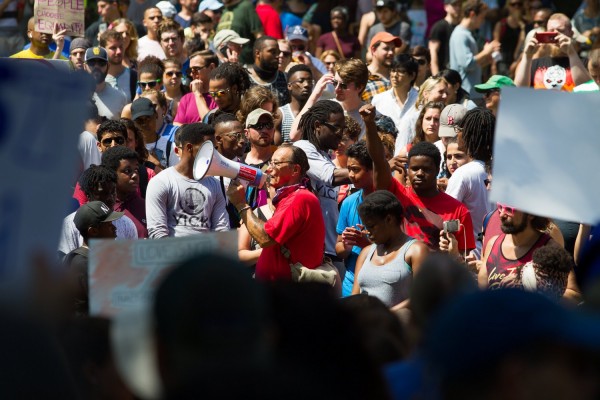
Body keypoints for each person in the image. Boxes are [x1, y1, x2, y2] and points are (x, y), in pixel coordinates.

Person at [362, 103, 475, 254]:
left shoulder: (459, 211)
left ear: (437, 169)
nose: (420, 173)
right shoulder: (396, 195)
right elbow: (378, 159)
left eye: (426, 169)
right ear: (408, 170)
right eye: (414, 169)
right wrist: (369, 124)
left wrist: (451, 252)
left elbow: (464, 259)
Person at [226, 144, 325, 280]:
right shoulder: (292, 198)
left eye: (276, 163)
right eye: (270, 163)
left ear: (295, 169)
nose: (269, 169)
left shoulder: (299, 198)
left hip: (286, 294)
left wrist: (240, 203)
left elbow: (265, 238)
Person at [145, 123, 229, 237]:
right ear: (189, 148)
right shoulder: (160, 182)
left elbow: (222, 230)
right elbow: (157, 233)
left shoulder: (215, 184)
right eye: (207, 148)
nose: (213, 154)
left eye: (214, 148)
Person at [294, 100, 349, 267]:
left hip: (332, 250)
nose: (340, 133)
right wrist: (373, 169)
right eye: (335, 127)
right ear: (318, 125)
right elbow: (331, 176)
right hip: (312, 252)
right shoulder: (302, 148)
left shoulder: (326, 157)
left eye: (343, 128)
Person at [351, 190, 429, 308]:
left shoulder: (416, 251)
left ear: (389, 219)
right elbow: (355, 296)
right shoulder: (366, 253)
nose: (368, 232)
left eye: (371, 226)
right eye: (366, 227)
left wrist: (385, 316)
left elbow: (421, 297)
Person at [59, 165, 137, 259]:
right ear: (88, 195)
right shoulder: (69, 225)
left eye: (113, 192)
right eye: (102, 194)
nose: (110, 198)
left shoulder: (126, 224)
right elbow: (68, 263)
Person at [445, 108, 494, 253]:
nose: (457, 133)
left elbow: (448, 218)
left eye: (460, 129)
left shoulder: (464, 173)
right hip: (499, 258)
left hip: (470, 258)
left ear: (468, 134)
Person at [479, 204, 559, 290]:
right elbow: (483, 290)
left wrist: (530, 283)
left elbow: (572, 294)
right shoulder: (493, 244)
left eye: (509, 210)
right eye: (500, 207)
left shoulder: (549, 249)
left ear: (531, 214)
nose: (502, 215)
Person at [65, 201, 123, 313]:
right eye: (109, 225)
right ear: (93, 231)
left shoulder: (100, 258)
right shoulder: (81, 263)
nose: (115, 230)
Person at [514, 13, 592, 91]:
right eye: (551, 31)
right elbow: (518, 91)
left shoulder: (584, 63)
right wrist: (527, 56)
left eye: (560, 30)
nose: (555, 34)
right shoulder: (534, 64)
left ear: (571, 34)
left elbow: (587, 90)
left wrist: (571, 53)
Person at [336, 142, 375, 297]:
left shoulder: (389, 202)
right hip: (350, 282)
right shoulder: (348, 202)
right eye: (349, 169)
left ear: (372, 170)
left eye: (356, 170)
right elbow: (339, 249)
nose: (350, 175)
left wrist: (365, 243)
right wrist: (346, 245)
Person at [449, 0, 500, 99]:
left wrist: (486, 60)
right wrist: (485, 52)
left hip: (471, 94)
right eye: (482, 17)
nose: (483, 21)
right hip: (466, 95)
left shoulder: (467, 34)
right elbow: (467, 64)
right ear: (472, 14)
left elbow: (471, 66)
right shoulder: (460, 34)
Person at [101, 146, 148, 238]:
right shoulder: (99, 209)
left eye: (136, 170)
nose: (135, 175)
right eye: (127, 171)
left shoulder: (147, 208)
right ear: (111, 173)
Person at [395, 76, 448, 153]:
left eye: (446, 93)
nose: (445, 96)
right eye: (440, 92)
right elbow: (400, 154)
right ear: (426, 94)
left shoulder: (448, 117)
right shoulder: (410, 120)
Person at [131, 96, 179, 170]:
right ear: (134, 123)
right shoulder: (130, 146)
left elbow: (176, 178)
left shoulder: (170, 147)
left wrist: (158, 166)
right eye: (139, 120)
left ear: (156, 115)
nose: (144, 123)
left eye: (148, 118)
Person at [372, 55, 419, 130]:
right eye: (393, 70)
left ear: (412, 75)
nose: (395, 75)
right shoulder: (378, 100)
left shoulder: (420, 101)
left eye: (401, 71)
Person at [174, 50, 218, 125]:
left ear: (211, 68)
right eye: (190, 70)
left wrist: (198, 94)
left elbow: (209, 123)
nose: (191, 74)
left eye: (196, 69)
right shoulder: (186, 98)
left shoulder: (220, 95)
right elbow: (176, 126)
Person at [85, 46, 128, 120]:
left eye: (101, 63)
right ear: (84, 66)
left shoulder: (120, 98)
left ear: (108, 66)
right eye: (91, 63)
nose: (96, 66)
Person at [215, 0, 263, 65]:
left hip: (246, 64)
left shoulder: (246, 6)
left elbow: (259, 36)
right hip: (224, 65)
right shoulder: (225, 10)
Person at [246, 36, 290, 107]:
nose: (277, 56)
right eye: (273, 52)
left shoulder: (286, 79)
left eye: (277, 52)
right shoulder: (244, 78)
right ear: (258, 53)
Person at [333, 58, 369, 139]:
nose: (336, 89)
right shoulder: (327, 108)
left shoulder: (370, 117)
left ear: (359, 87)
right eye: (335, 83)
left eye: (343, 85)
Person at [362, 32, 402, 104]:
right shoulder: (361, 76)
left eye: (393, 49)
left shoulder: (399, 76)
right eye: (386, 48)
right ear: (373, 50)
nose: (391, 52)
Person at [101, 29, 138, 102]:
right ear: (103, 50)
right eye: (113, 48)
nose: (119, 52)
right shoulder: (97, 78)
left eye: (121, 47)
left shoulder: (134, 76)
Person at [492, 0, 526, 77]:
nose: (516, 7)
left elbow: (523, 45)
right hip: (502, 63)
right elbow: (496, 46)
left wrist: (517, 61)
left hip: (519, 62)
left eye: (519, 4)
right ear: (508, 6)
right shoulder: (501, 24)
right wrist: (493, 65)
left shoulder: (525, 25)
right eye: (513, 4)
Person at [280, 64, 313, 143]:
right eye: (301, 81)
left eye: (310, 81)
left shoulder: (318, 114)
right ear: (289, 86)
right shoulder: (280, 115)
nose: (307, 85)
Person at [429, 0, 462, 76]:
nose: (458, 8)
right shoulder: (439, 26)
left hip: (458, 74)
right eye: (454, 5)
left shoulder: (461, 27)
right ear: (446, 7)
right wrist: (436, 76)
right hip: (444, 74)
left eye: (459, 5)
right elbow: (432, 52)